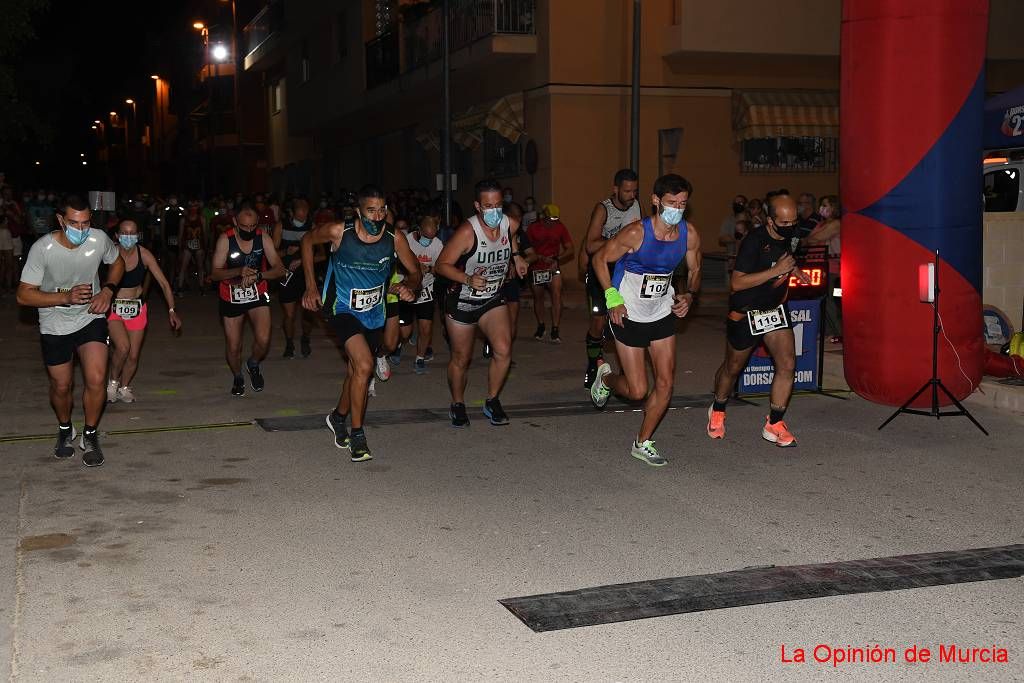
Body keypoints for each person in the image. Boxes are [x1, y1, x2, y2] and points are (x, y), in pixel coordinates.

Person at [300, 184, 421, 462]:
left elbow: (415, 271)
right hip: (341, 307)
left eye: (382, 210)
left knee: (357, 371)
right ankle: (358, 435)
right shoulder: (339, 232)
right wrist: (310, 286)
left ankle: (337, 417)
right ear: (358, 211)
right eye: (371, 210)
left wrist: (408, 286)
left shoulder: (394, 238)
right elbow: (307, 241)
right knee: (365, 365)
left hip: (373, 312)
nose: (377, 217)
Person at [589, 174, 702, 467]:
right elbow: (599, 259)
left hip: (661, 310)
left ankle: (643, 442)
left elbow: (695, 270)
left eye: (682, 203)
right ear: (655, 201)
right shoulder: (637, 232)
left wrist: (689, 295)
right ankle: (606, 378)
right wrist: (612, 297)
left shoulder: (689, 234)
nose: (677, 208)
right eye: (671, 202)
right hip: (628, 311)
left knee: (665, 383)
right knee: (637, 390)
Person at [16, 196, 126, 466]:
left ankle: (90, 434)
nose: (82, 228)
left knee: (96, 378)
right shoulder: (43, 249)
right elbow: (23, 295)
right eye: (75, 223)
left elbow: (118, 261)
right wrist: (64, 298)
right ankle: (65, 428)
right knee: (61, 386)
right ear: (61, 220)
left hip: (90, 317)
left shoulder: (98, 239)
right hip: (54, 322)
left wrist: (109, 290)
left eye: (86, 222)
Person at [706, 195, 811, 448]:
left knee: (787, 364)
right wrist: (776, 271)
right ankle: (718, 409)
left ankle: (774, 423)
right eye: (783, 222)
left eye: (793, 221)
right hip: (745, 312)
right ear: (770, 220)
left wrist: (794, 271)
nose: (789, 226)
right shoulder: (754, 241)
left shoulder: (792, 236)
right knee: (732, 368)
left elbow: (784, 258)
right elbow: (737, 283)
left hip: (774, 310)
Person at [435, 179, 529, 427]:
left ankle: (492, 400)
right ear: (478, 206)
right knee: (461, 358)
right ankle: (457, 403)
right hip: (463, 300)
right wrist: (467, 278)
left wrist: (517, 258)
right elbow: (441, 265)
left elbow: (513, 237)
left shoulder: (510, 224)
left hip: (492, 298)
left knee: (503, 349)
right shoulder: (467, 232)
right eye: (488, 206)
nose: (494, 211)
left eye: (498, 205)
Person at [211, 207, 286, 396]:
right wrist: (238, 271)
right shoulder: (225, 239)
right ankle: (237, 376)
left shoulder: (263, 238)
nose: (249, 230)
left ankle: (253, 363)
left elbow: (279, 269)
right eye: (244, 226)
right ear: (235, 223)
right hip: (230, 294)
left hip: (257, 292)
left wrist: (259, 275)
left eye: (253, 226)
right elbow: (215, 273)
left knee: (263, 339)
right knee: (234, 346)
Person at [106, 219, 182, 403]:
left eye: (132, 233)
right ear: (117, 235)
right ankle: (113, 383)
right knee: (123, 347)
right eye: (124, 233)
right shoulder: (109, 254)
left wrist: (172, 310)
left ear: (138, 235)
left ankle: (124, 387)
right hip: (114, 308)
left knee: (133, 355)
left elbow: (164, 284)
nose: (128, 237)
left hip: (137, 308)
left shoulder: (145, 255)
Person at [580, 168, 642, 388]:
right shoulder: (603, 209)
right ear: (615, 189)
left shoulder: (636, 205)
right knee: (598, 322)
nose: (631, 195)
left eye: (635, 190)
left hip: (625, 272)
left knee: (625, 319)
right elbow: (590, 244)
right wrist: (618, 241)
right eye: (627, 191)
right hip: (601, 269)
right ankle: (593, 364)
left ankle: (626, 370)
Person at [399, 208, 444, 374]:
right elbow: (396, 264)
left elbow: (442, 268)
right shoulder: (406, 241)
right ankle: (397, 344)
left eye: (431, 238)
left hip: (426, 289)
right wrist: (414, 269)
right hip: (407, 288)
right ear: (418, 230)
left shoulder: (438, 245)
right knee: (404, 332)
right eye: (425, 237)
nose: (428, 241)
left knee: (426, 328)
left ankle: (419, 358)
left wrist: (431, 269)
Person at [273, 197, 317, 358]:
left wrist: (301, 260)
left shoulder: (311, 227)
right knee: (289, 315)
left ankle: (305, 339)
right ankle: (289, 343)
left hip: (306, 276)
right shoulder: (281, 226)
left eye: (306, 209)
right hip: (287, 276)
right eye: (300, 209)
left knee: (308, 314)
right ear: (292, 211)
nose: (304, 213)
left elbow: (321, 255)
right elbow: (271, 254)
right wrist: (286, 253)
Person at [527, 203, 573, 343]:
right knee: (538, 297)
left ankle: (555, 329)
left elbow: (570, 248)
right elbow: (526, 247)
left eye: (556, 220)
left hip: (553, 266)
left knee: (557, 295)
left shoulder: (560, 227)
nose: (554, 223)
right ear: (544, 217)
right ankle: (541, 325)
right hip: (536, 267)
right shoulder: (533, 228)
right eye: (551, 220)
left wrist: (557, 259)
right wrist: (538, 257)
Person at [804, 194, 842, 342]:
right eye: (821, 205)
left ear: (834, 207)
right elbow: (809, 239)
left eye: (826, 205)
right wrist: (809, 239)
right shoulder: (821, 223)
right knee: (819, 299)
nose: (822, 208)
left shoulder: (836, 224)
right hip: (816, 265)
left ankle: (838, 332)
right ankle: (826, 331)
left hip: (831, 267)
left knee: (830, 299)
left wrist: (809, 239)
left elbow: (814, 238)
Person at [176, 202, 207, 295]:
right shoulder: (183, 220)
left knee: (200, 267)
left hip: (199, 245)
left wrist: (205, 247)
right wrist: (180, 248)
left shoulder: (202, 219)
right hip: (187, 246)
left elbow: (205, 234)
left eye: (195, 206)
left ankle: (201, 287)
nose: (193, 208)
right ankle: (180, 288)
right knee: (183, 267)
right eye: (191, 206)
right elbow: (180, 235)